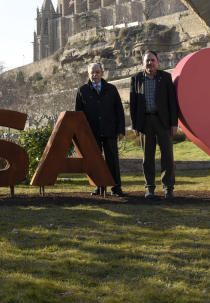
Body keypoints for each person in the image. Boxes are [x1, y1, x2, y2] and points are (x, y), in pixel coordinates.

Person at [129, 50, 179, 200]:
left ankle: (168, 188)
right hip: (145, 122)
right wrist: (135, 125)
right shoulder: (136, 79)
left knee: (168, 157)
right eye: (147, 61)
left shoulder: (165, 78)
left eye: (152, 60)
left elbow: (172, 102)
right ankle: (149, 188)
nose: (150, 63)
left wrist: (174, 123)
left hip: (162, 121)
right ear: (143, 63)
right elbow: (133, 105)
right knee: (147, 157)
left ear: (157, 62)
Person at [75, 61, 126, 196]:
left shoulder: (111, 89)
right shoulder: (82, 91)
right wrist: (81, 134)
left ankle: (116, 188)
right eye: (92, 72)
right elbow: (78, 114)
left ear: (102, 73)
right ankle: (99, 187)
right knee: (95, 160)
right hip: (92, 132)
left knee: (112, 160)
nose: (95, 75)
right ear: (88, 73)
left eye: (97, 72)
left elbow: (119, 110)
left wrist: (121, 129)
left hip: (110, 130)